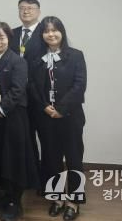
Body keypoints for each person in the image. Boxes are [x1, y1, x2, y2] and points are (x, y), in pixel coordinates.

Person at [31, 17, 87, 221]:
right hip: (46, 117)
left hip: (70, 116)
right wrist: (45, 106)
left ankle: (74, 201)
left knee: (74, 159)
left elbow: (79, 85)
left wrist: (61, 109)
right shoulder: (37, 59)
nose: (51, 34)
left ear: (61, 32)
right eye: (46, 31)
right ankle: (57, 198)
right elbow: (33, 86)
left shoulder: (76, 56)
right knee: (51, 159)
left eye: (54, 30)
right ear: (42, 35)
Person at [0, 22, 39, 221]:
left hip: (14, 117)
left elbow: (18, 90)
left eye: (2, 37)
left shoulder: (18, 61)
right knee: (1, 157)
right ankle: (6, 196)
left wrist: (0, 108)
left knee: (14, 159)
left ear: (9, 38)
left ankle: (15, 202)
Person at [9, 0, 45, 186]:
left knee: (46, 140)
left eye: (30, 8)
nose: (26, 11)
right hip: (18, 97)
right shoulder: (12, 33)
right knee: (26, 139)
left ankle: (47, 182)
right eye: (22, 8)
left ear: (38, 11)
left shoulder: (46, 32)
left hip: (40, 95)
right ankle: (32, 178)